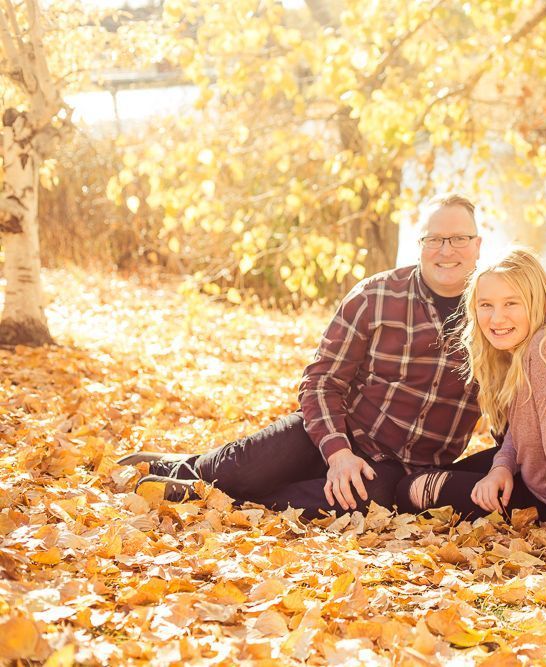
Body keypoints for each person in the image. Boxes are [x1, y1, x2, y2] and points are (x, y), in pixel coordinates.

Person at [117, 193, 485, 517]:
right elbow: (321, 381)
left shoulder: (494, 312)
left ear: (478, 245)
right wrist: (339, 452)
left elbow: (510, 404)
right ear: (420, 244)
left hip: (401, 467)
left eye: (458, 239)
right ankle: (189, 469)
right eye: (434, 239)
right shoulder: (375, 296)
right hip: (334, 429)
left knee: (353, 501)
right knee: (248, 468)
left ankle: (219, 499)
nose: (446, 249)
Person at [395, 249, 546, 564]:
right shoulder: (528, 347)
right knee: (421, 480)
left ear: (538, 302)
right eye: (486, 305)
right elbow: (524, 430)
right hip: (536, 474)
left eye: (511, 303)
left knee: (414, 488)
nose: (497, 318)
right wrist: (501, 468)